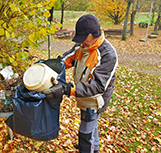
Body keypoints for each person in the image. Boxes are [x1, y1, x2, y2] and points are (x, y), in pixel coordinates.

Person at [42, 14, 118, 153]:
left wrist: (67, 89)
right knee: (91, 125)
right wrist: (49, 67)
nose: (81, 42)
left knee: (85, 131)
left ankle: (87, 148)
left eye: (83, 39)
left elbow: (98, 87)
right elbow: (66, 60)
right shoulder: (82, 45)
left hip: (96, 100)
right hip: (83, 93)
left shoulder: (107, 55)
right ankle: (94, 148)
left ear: (93, 34)